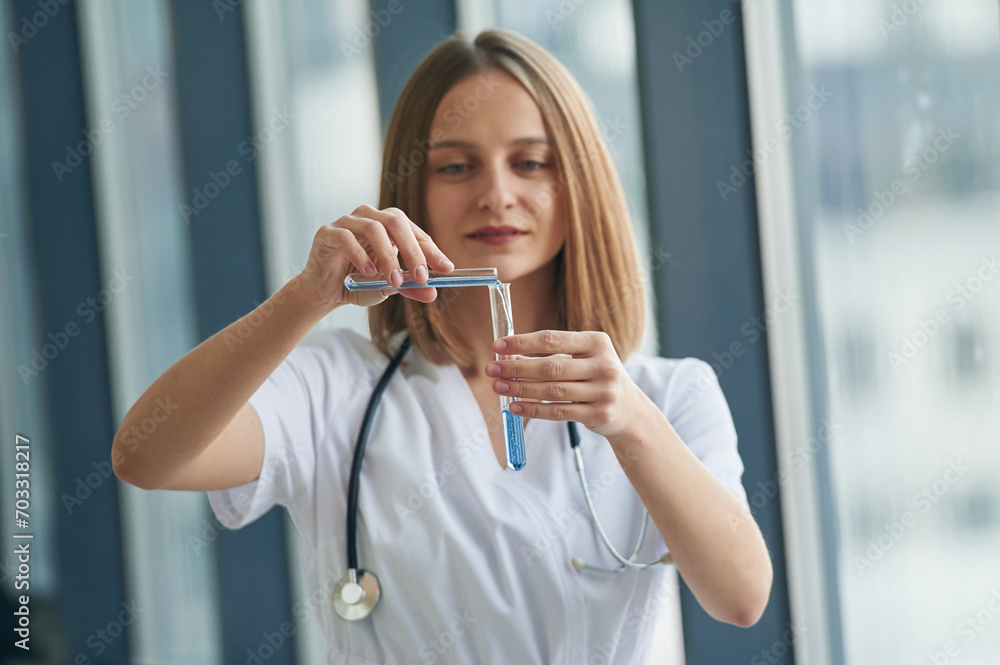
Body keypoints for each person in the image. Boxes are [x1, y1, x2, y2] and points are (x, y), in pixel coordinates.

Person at [113, 28, 772, 664]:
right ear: (412, 192)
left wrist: (631, 422)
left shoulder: (667, 396)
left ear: (578, 186)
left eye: (531, 162)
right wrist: (304, 297)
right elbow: (144, 455)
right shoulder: (336, 386)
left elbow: (742, 597)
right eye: (456, 166)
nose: (496, 194)